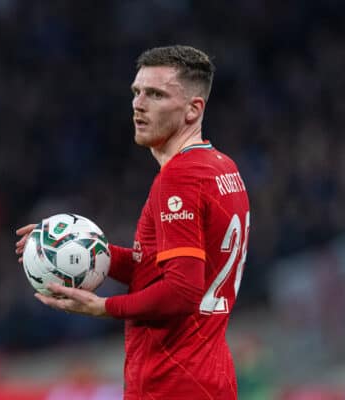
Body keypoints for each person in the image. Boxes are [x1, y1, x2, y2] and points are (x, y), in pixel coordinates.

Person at [16, 45, 250, 399]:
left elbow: (182, 291)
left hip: (173, 382)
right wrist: (81, 250)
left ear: (193, 109)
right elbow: (162, 269)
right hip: (205, 376)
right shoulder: (222, 167)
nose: (138, 104)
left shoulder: (181, 178)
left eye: (155, 94)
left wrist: (103, 307)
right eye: (136, 92)